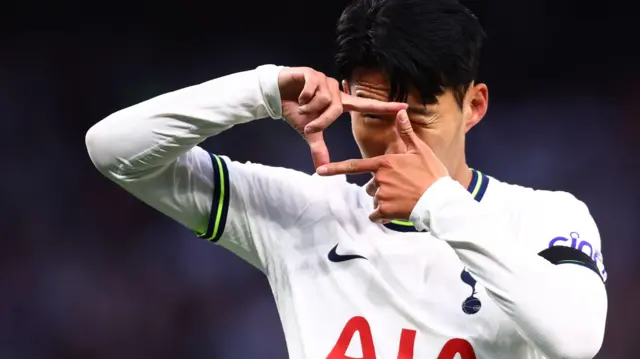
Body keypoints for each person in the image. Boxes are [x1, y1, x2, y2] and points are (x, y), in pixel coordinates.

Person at [85, 0, 608, 357]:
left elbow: (576, 340)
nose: (396, 140)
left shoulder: (545, 217)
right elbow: (114, 149)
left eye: (420, 116)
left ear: (474, 105)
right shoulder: (302, 213)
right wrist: (262, 91)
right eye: (373, 115)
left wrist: (436, 203)